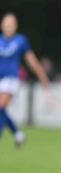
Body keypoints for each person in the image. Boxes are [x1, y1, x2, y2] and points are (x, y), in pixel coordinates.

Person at [0, 13, 49, 146]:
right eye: (6, 23)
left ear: (15, 26)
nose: (8, 26)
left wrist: (42, 77)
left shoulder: (20, 41)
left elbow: (31, 61)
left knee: (0, 107)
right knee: (2, 110)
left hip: (11, 80)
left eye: (11, 23)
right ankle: (17, 133)